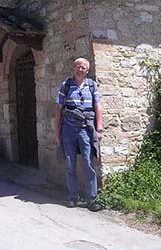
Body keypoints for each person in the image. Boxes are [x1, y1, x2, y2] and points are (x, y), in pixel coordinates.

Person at [55, 58, 103, 212]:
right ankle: (73, 197)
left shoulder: (92, 85)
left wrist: (99, 129)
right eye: (77, 66)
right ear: (73, 68)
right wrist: (57, 133)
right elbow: (58, 109)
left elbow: (98, 107)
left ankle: (91, 200)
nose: (79, 69)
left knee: (88, 163)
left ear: (87, 71)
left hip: (85, 129)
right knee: (70, 164)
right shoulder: (66, 85)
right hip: (68, 129)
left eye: (82, 67)